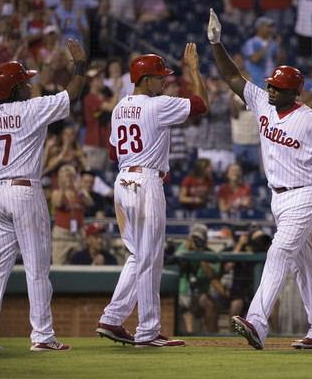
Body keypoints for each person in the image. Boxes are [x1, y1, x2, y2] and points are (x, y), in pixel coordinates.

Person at [208, 8, 312, 350]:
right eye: (271, 85)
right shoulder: (263, 102)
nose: (271, 89)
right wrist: (216, 43)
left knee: (279, 251)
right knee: (302, 264)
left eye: (278, 87)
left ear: (294, 92)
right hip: (278, 195)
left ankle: (257, 323)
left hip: (307, 193)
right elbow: (233, 78)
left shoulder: (311, 120)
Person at [95, 46, 209, 348]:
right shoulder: (156, 105)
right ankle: (148, 331)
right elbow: (200, 105)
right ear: (145, 80)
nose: (165, 83)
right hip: (145, 182)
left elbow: (112, 152)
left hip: (122, 181)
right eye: (160, 78)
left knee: (138, 255)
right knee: (150, 258)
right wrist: (193, 69)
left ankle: (112, 318)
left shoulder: (119, 107)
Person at [0, 38, 86, 352]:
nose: (29, 84)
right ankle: (42, 336)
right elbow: (72, 94)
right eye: (25, 81)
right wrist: (80, 64)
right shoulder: (32, 108)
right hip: (23, 191)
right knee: (38, 267)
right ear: (15, 89)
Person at [177, 223, 224, 333]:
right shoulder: (183, 248)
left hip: (201, 293)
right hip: (182, 293)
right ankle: (188, 334)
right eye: (194, 238)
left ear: (206, 239)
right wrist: (188, 250)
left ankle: (212, 338)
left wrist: (201, 255)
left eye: (200, 238)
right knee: (180, 305)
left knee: (210, 304)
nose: (197, 241)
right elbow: (180, 268)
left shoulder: (211, 254)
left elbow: (212, 275)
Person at [51, 164, 92, 264]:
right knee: (59, 264)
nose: (69, 178)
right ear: (60, 178)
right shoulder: (56, 192)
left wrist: (79, 190)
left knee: (80, 264)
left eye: (71, 175)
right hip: (62, 234)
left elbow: (89, 202)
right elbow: (58, 203)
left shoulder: (81, 192)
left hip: (78, 233)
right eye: (66, 176)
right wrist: (63, 188)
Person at [243, 16, 286, 88]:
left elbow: (281, 61)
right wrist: (267, 46)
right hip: (256, 79)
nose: (270, 30)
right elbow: (254, 58)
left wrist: (279, 45)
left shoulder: (273, 43)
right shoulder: (251, 42)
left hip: (271, 79)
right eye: (268, 27)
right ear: (260, 27)